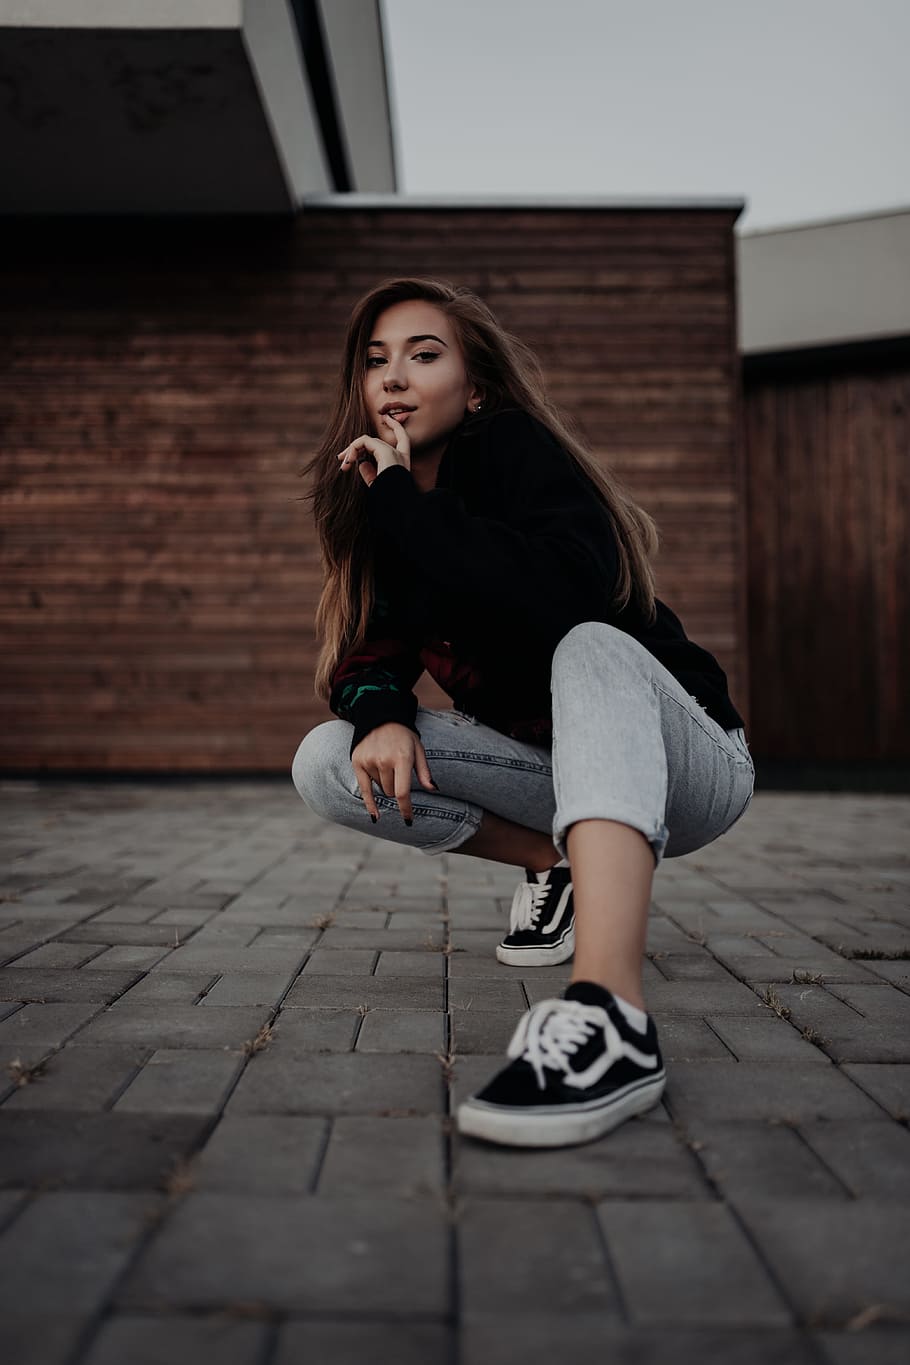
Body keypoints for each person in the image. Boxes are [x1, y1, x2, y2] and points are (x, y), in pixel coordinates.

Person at [291, 276, 754, 1149]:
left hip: (687, 759)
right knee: (328, 756)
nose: (393, 376)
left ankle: (611, 1015)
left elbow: (562, 596)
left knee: (587, 644)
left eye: (423, 355)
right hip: (560, 776)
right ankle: (558, 861)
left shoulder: (509, 449)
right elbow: (366, 650)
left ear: (472, 389)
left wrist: (406, 503)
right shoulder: (385, 512)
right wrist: (382, 711)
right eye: (376, 360)